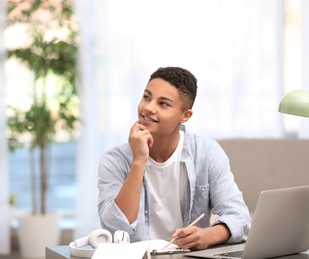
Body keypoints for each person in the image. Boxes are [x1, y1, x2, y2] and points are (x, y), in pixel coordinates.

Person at [97, 67, 251, 250]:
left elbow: (240, 217)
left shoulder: (207, 152)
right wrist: (138, 161)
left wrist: (207, 235)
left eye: (163, 104)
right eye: (146, 97)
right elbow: (115, 229)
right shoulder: (115, 160)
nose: (148, 107)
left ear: (185, 116)